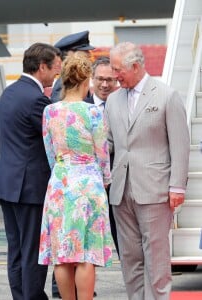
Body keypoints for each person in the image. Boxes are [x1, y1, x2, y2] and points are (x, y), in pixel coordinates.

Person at [105, 42, 190, 300]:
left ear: (136, 66)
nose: (114, 75)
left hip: (155, 189)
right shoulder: (112, 100)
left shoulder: (166, 95)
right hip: (121, 190)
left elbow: (180, 144)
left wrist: (177, 186)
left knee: (156, 255)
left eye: (118, 70)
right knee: (130, 257)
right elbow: (110, 143)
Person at [0, 43, 62, 300]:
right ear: (42, 67)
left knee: (16, 249)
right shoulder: (36, 100)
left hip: (7, 183)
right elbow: (53, 141)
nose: (56, 75)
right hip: (29, 188)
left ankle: (21, 297)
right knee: (33, 250)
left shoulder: (8, 94)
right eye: (55, 69)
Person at [38, 52, 113, 300]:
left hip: (60, 183)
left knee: (62, 255)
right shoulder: (93, 113)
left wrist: (62, 173)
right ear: (85, 81)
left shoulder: (49, 112)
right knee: (86, 254)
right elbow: (102, 155)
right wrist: (104, 180)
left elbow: (50, 154)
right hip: (89, 184)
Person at [84, 56, 120, 257]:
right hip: (88, 181)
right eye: (100, 79)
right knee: (84, 235)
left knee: (123, 235)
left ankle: (133, 284)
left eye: (110, 80)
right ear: (92, 78)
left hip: (118, 181)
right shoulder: (80, 107)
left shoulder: (125, 105)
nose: (105, 84)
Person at [51, 30, 95, 103]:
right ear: (70, 54)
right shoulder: (63, 83)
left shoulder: (78, 78)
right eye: (85, 51)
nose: (89, 54)